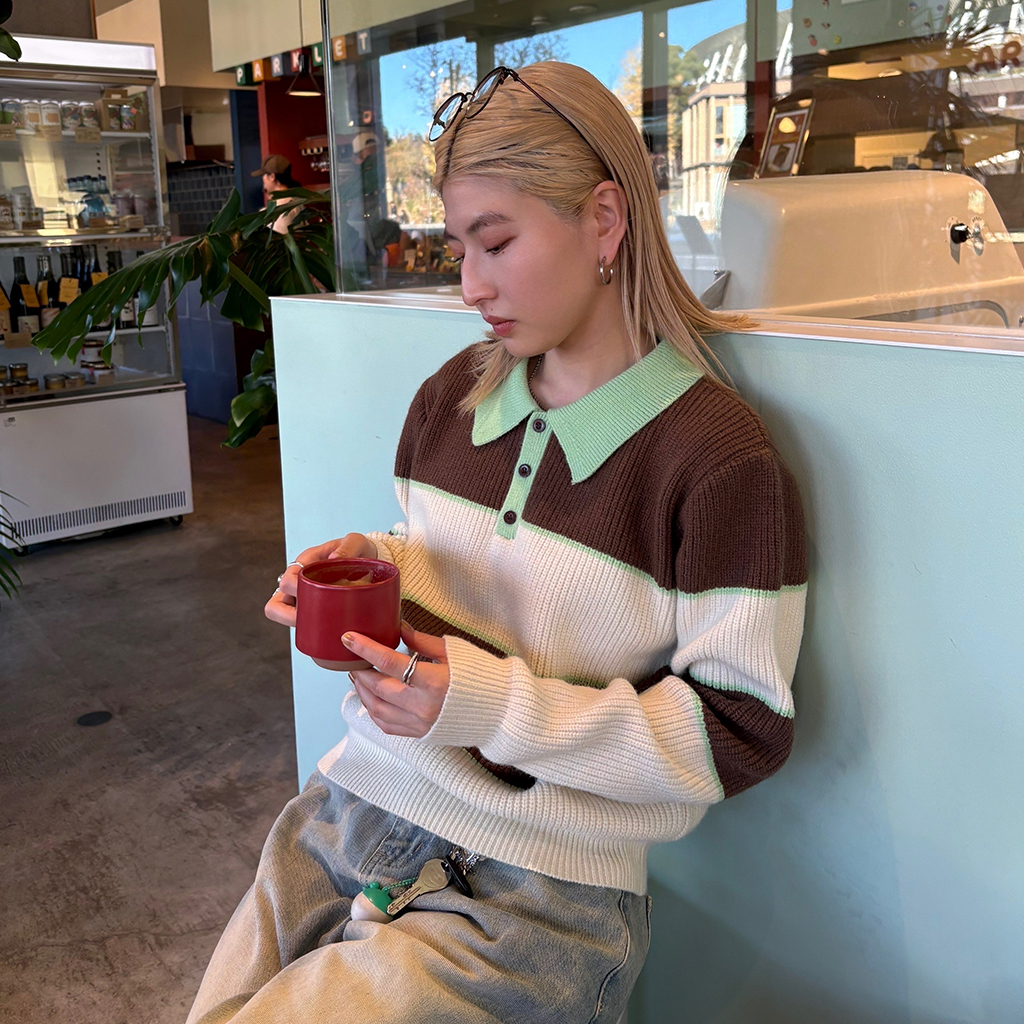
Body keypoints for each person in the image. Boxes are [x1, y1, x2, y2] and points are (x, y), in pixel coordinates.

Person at [186, 62, 807, 1024]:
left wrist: (482, 706)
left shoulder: (718, 461)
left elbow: (739, 732)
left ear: (605, 220)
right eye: (458, 248)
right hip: (349, 810)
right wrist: (367, 570)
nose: (470, 285)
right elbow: (464, 569)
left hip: (535, 895)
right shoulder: (451, 398)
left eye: (497, 242)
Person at [251, 154, 302, 234]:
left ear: (272, 177)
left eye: (264, 175)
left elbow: (280, 238)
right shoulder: (296, 199)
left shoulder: (280, 207)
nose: (263, 179)